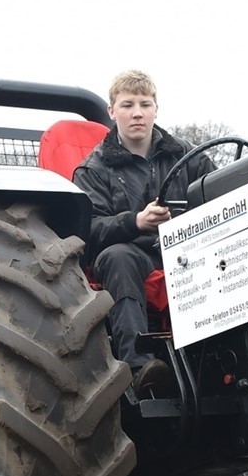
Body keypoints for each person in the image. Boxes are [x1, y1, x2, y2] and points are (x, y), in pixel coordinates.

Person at [73, 70, 216, 393]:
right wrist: (135, 222)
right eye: (127, 105)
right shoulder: (93, 169)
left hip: (183, 248)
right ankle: (139, 368)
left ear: (155, 109)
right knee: (118, 257)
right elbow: (88, 230)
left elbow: (218, 190)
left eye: (144, 104)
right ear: (112, 112)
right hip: (133, 255)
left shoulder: (186, 156)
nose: (137, 113)